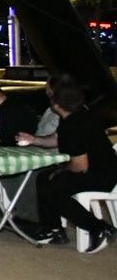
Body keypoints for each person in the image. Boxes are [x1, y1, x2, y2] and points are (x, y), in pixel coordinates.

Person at [19, 80, 117, 252]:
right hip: (100, 168)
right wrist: (34, 140)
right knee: (44, 177)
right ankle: (53, 229)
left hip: (102, 175)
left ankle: (99, 228)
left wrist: (60, 170)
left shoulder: (75, 125)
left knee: (54, 187)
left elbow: (80, 166)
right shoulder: (76, 114)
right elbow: (56, 139)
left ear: (56, 104)